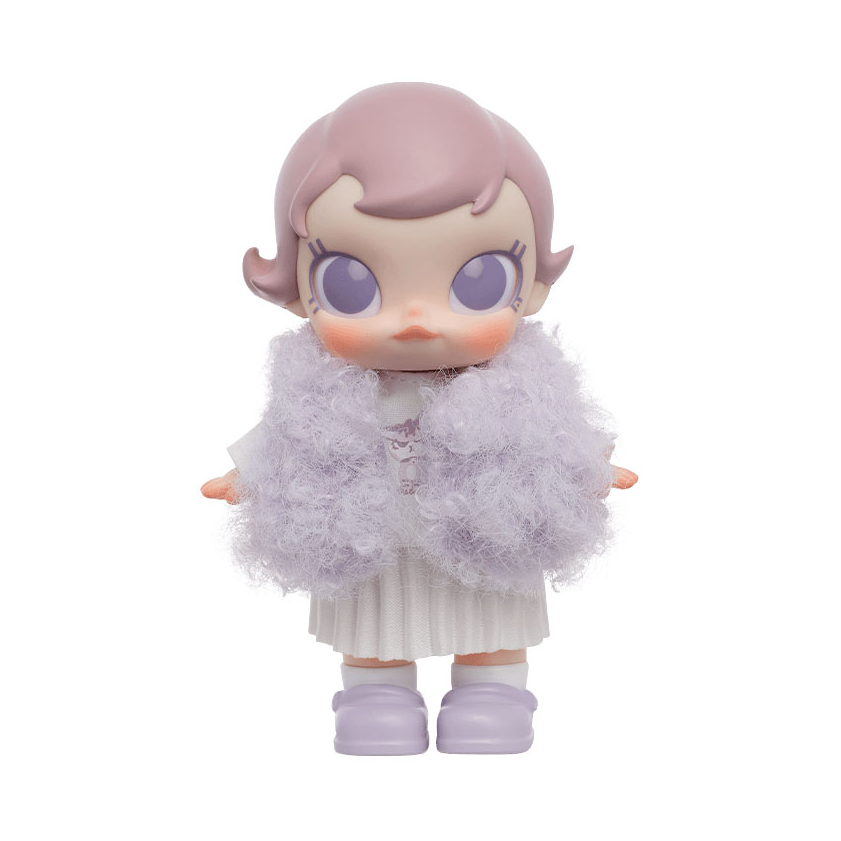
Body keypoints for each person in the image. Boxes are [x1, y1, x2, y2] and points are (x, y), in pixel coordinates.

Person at [202, 82, 637, 755]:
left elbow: (556, 442)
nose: (414, 318)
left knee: (493, 623)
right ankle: (376, 699)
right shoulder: (322, 395)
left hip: (488, 538)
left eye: (478, 280)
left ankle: (492, 696)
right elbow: (288, 443)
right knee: (372, 629)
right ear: (297, 292)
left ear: (533, 289)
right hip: (370, 544)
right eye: (351, 283)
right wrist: (251, 475)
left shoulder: (524, 392)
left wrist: (586, 467)